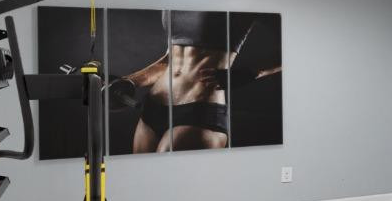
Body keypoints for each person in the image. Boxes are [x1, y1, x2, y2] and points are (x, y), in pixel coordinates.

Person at [110, 13, 279, 152]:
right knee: (143, 179)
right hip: (154, 108)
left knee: (172, 184)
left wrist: (250, 73)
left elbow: (295, 42)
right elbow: (169, 61)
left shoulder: (239, 1)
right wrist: (127, 82)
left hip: (199, 111)